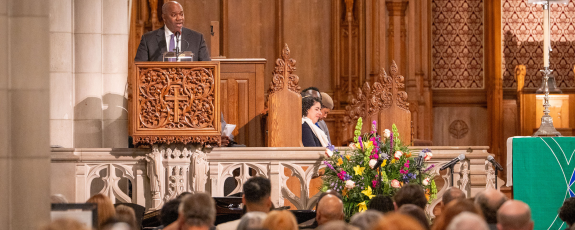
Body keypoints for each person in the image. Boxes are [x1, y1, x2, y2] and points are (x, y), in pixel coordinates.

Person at [134, 1, 210, 62]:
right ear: (164, 17)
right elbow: (138, 69)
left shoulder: (197, 39)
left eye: (181, 14)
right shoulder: (148, 40)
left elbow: (207, 68)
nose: (179, 18)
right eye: (174, 15)